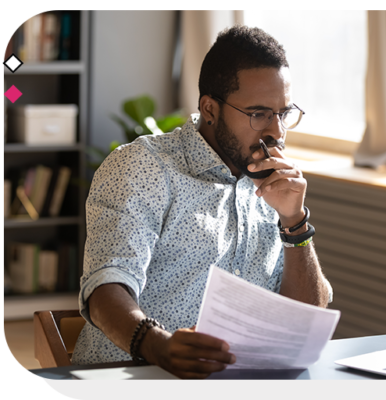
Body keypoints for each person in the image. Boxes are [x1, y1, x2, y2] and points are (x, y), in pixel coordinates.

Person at [71, 25, 333, 379]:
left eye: (283, 114)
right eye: (258, 114)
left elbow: (305, 320)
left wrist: (294, 221)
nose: (276, 132)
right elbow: (106, 287)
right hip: (129, 379)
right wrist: (157, 346)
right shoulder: (143, 167)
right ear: (210, 108)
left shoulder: (274, 185)